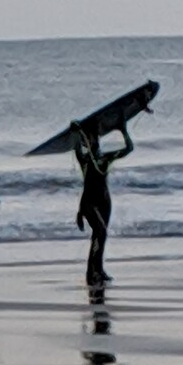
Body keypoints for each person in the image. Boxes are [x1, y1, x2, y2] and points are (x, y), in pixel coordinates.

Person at [74, 121, 133, 285]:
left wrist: (123, 129)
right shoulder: (84, 160)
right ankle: (91, 272)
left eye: (94, 138)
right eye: (89, 139)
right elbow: (76, 146)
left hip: (104, 202)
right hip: (88, 203)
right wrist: (77, 133)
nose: (92, 141)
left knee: (99, 236)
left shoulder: (105, 158)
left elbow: (129, 148)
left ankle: (98, 270)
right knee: (101, 233)